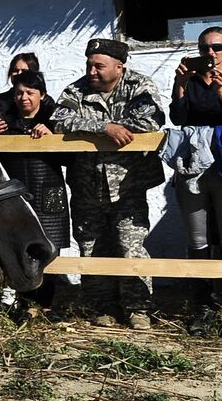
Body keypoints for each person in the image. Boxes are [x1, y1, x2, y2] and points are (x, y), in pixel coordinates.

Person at [51, 38, 165, 329]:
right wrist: (105, 127)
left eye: (99, 66)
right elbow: (60, 121)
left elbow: (149, 121)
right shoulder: (76, 90)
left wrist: (90, 127)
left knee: (131, 246)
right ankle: (102, 308)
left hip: (129, 185)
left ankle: (138, 309)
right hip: (86, 185)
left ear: (119, 67)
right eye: (89, 65)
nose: (92, 71)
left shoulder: (139, 86)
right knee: (91, 247)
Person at [167, 25, 222, 339]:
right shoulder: (190, 79)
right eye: (204, 48)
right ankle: (201, 308)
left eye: (217, 47)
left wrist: (221, 89)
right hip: (194, 168)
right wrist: (180, 84)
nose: (210, 53)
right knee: (197, 241)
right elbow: (178, 117)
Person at [0, 70, 70, 314]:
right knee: (17, 245)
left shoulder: (54, 119)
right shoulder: (4, 121)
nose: (24, 97)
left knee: (50, 245)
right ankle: (21, 301)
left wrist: (53, 137)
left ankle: (44, 304)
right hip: (16, 192)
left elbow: (70, 158)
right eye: (19, 93)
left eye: (30, 92)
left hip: (49, 189)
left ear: (41, 95)